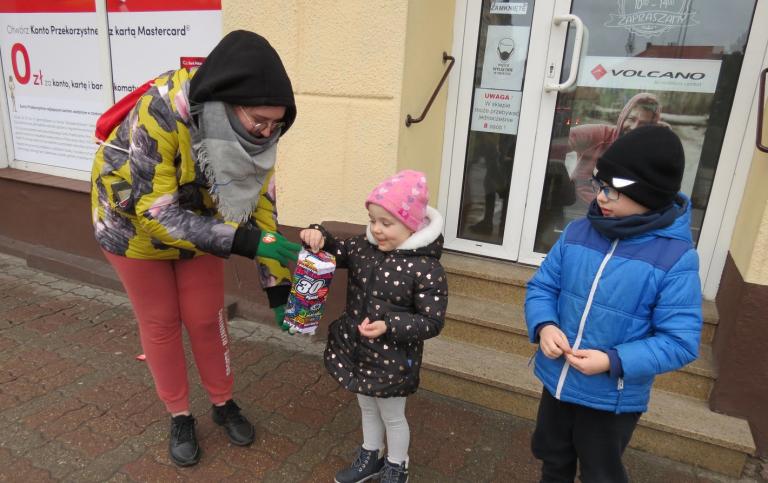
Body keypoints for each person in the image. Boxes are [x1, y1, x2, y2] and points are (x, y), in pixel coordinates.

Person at [90, 30, 301, 467]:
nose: (266, 133)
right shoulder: (163, 111)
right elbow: (156, 212)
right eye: (259, 121)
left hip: (202, 225)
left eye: (275, 125)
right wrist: (242, 241)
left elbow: (261, 206)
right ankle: (179, 414)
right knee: (162, 322)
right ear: (228, 101)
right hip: (132, 227)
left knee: (206, 317)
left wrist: (277, 289)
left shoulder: (262, 134)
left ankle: (223, 403)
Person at [525, 125, 703, 483]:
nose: (600, 198)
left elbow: (679, 341)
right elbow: (542, 286)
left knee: (600, 471)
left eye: (613, 191)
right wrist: (545, 324)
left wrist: (613, 360)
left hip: (611, 399)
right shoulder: (577, 233)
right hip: (557, 381)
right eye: (599, 186)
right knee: (552, 458)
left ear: (649, 197)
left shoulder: (675, 258)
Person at [299, 170, 448, 483]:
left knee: (393, 416)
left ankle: (397, 465)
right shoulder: (361, 248)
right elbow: (332, 251)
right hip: (358, 351)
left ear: (411, 224)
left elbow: (431, 321)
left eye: (387, 223)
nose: (377, 230)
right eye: (372, 220)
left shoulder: (426, 268)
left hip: (394, 359)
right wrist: (317, 235)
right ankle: (371, 456)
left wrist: (389, 324)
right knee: (367, 407)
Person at [568, 92, 665, 205]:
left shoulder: (652, 149)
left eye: (643, 124)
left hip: (620, 213)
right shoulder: (601, 135)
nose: (634, 127)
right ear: (623, 117)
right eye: (631, 119)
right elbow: (559, 139)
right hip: (582, 204)